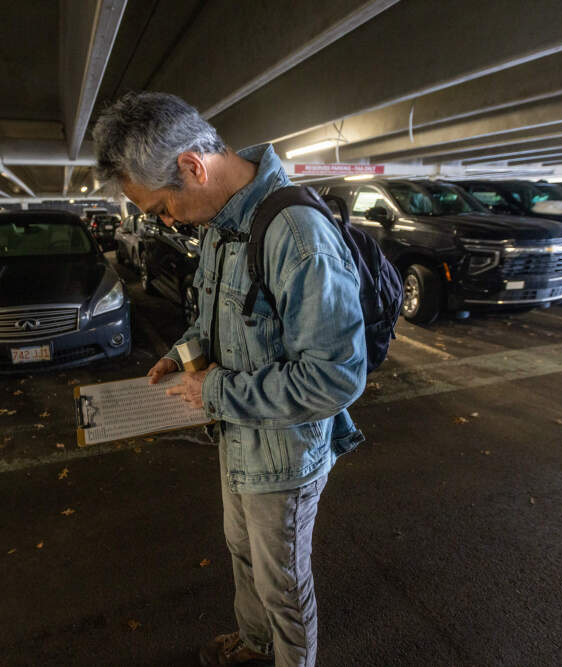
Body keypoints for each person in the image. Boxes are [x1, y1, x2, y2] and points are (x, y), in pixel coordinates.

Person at [93, 92, 366, 667]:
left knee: (284, 586)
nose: (161, 221)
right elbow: (220, 316)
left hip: (284, 452)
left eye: (160, 207)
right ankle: (252, 643)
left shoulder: (296, 234)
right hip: (241, 434)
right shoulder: (223, 224)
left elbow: (336, 378)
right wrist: (182, 352)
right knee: (242, 552)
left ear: (192, 166)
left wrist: (214, 391)